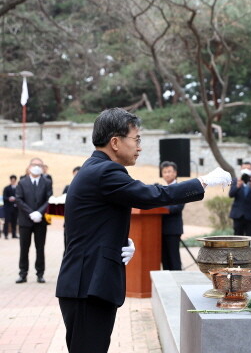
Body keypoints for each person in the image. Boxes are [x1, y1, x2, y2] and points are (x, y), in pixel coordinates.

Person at [55, 108, 231, 353]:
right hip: (88, 286)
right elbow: (151, 195)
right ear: (115, 142)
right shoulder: (105, 171)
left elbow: (87, 225)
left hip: (86, 282)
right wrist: (202, 182)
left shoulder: (94, 168)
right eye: (136, 140)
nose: (139, 147)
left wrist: (118, 240)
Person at [15, 158, 53, 283]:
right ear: (30, 166)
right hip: (25, 221)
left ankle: (40, 273)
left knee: (40, 248)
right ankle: (23, 273)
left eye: (39, 165)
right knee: (24, 248)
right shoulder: (22, 182)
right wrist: (30, 213)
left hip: (40, 221)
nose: (37, 167)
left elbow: (49, 199)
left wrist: (39, 212)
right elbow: (19, 199)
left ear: (43, 167)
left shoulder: (46, 182)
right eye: (35, 165)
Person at [160, 161, 185, 270]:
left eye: (169, 171)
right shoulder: (162, 189)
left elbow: (177, 207)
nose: (167, 174)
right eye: (164, 172)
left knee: (173, 259)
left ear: (175, 173)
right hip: (160, 229)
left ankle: (178, 283)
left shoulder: (181, 188)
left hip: (173, 229)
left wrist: (160, 207)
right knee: (165, 259)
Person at [228, 161, 251, 237]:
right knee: (237, 238)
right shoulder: (235, 181)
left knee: (250, 237)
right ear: (241, 169)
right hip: (238, 214)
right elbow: (231, 194)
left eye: (248, 168)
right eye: (244, 168)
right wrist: (237, 186)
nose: (246, 170)